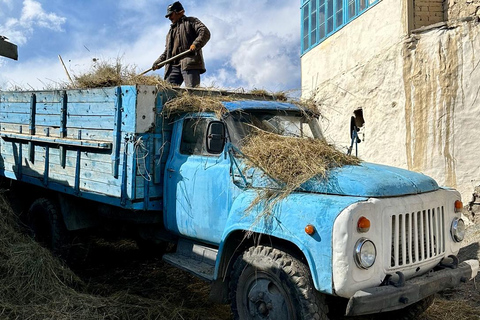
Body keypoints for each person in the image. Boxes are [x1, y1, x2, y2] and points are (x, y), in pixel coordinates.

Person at [152, 1, 210, 88]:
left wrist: (196, 44)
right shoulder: (170, 32)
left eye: (171, 15)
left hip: (189, 62)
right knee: (167, 92)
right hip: (173, 66)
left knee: (192, 92)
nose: (169, 18)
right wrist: (158, 62)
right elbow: (167, 52)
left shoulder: (191, 21)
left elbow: (204, 32)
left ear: (179, 12)